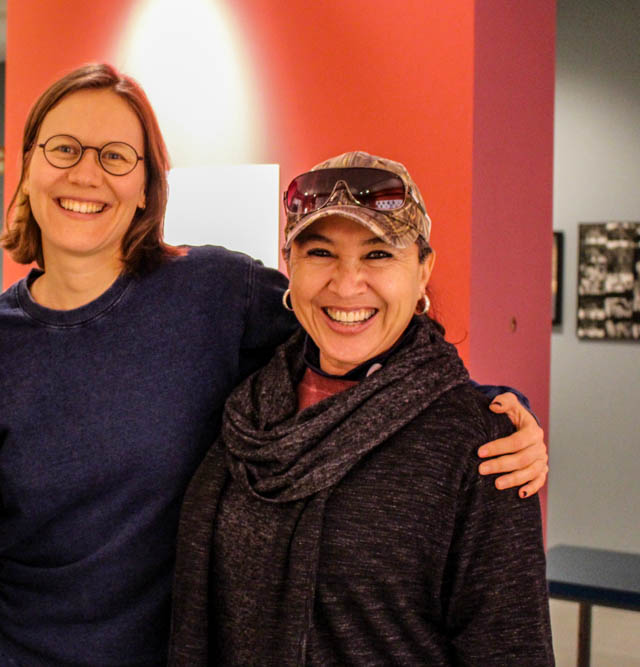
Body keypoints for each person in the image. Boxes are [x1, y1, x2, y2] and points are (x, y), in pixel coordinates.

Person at [0, 64, 548, 666]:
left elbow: (359, 342)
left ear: (148, 185)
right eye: (64, 148)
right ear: (27, 165)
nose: (86, 173)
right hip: (14, 651)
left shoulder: (216, 293)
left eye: (115, 156)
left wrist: (492, 409)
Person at [168, 151, 554, 664]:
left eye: (378, 254)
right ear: (290, 268)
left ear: (423, 272)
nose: (347, 284)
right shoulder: (247, 408)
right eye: (321, 253)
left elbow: (511, 650)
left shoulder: (481, 448)